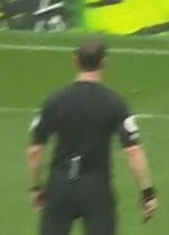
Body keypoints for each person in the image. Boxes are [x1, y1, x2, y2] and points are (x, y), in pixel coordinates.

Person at [27, 39, 158, 234]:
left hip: (60, 184)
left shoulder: (55, 100)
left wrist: (36, 188)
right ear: (104, 63)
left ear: (75, 61)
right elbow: (134, 151)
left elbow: (35, 150)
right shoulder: (114, 102)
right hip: (96, 186)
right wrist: (147, 193)